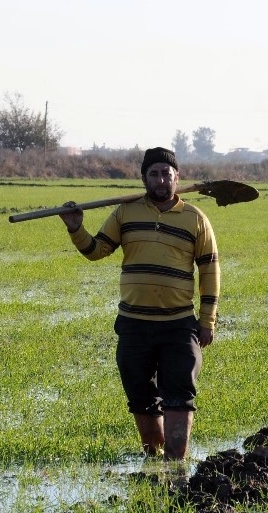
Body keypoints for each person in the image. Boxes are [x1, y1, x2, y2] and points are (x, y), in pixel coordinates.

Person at [58, 147, 220, 460]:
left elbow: (210, 271)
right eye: (154, 173)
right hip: (134, 326)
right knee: (141, 397)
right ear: (145, 178)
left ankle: (176, 466)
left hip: (179, 325)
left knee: (179, 396)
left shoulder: (195, 219)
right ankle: (155, 462)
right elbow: (96, 251)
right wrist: (76, 228)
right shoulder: (125, 213)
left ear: (177, 176)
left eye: (166, 173)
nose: (161, 179)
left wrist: (207, 320)